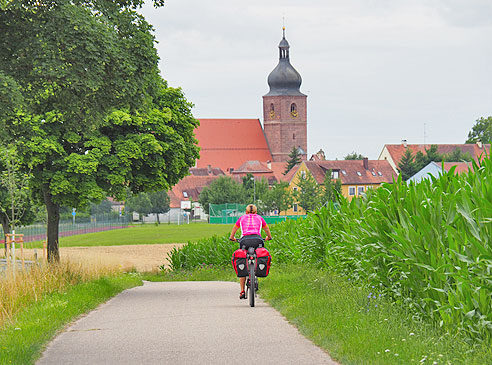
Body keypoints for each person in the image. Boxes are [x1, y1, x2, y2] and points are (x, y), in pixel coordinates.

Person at [229, 204, 272, 299]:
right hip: (258, 240)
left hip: (244, 240)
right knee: (259, 254)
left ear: (246, 212)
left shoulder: (241, 218)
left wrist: (232, 238)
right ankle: (256, 270)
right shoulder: (260, 218)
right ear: (256, 212)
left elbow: (234, 229)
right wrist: (269, 237)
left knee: (243, 259)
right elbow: (267, 229)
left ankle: (242, 291)